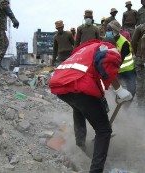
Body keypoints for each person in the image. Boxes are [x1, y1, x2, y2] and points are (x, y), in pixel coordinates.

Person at [49, 38, 132, 173]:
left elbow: (96, 72)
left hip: (59, 84)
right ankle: (96, 170)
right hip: (77, 84)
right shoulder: (107, 48)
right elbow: (106, 65)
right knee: (104, 130)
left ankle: (80, 147)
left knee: (79, 110)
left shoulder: (85, 50)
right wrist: (119, 89)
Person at [106, 21, 136, 99]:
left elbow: (120, 60)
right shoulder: (107, 41)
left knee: (132, 90)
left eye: (109, 30)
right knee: (116, 90)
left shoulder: (124, 43)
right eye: (107, 30)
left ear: (115, 31)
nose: (108, 32)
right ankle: (119, 105)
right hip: (117, 70)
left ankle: (126, 107)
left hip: (127, 70)